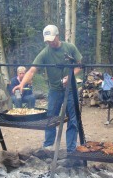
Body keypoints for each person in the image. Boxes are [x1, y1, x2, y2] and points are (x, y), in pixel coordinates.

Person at [13, 25, 82, 153]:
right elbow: (32, 70)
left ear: (57, 35)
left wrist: (70, 76)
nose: (50, 42)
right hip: (54, 91)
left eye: (52, 39)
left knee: (73, 119)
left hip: (71, 90)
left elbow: (79, 65)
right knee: (50, 118)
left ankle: (71, 150)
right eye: (47, 40)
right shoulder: (45, 52)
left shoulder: (69, 47)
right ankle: (48, 147)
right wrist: (21, 84)